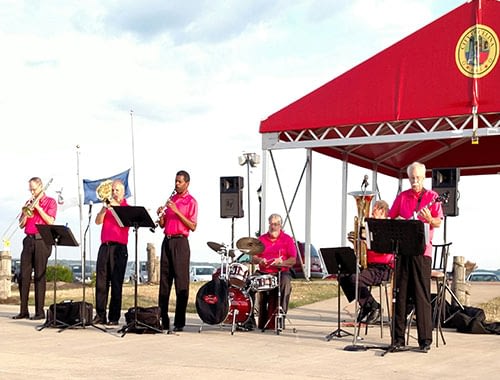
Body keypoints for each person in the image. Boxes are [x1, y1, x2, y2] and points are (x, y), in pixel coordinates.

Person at [388, 161, 443, 352]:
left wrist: (429, 219)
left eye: (418, 178)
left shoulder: (432, 197)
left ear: (424, 177)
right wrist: (400, 221)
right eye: (412, 178)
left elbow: (438, 222)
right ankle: (398, 338)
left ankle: (424, 339)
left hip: (422, 251)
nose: (414, 181)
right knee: (400, 294)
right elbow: (391, 217)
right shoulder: (402, 197)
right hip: (403, 250)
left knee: (422, 295)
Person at [340, 200, 394, 325]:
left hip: (383, 268)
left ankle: (373, 306)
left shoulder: (388, 228)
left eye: (375, 208)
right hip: (370, 266)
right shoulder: (369, 228)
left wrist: (367, 243)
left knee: (355, 278)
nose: (372, 211)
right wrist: (356, 243)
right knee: (343, 275)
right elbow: (362, 252)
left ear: (383, 211)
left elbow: (384, 250)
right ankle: (366, 305)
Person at [157, 170, 198, 332]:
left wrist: (177, 211)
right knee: (164, 282)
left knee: (181, 282)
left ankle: (179, 321)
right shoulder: (171, 199)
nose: (176, 184)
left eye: (179, 182)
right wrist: (160, 215)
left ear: (187, 183)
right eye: (175, 181)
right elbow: (162, 224)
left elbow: (193, 226)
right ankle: (162, 318)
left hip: (181, 242)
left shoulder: (191, 201)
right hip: (167, 241)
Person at [13, 177, 57, 320]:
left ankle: (39, 312)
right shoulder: (28, 203)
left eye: (34, 189)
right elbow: (21, 225)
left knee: (39, 275)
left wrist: (38, 208)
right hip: (28, 240)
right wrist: (26, 213)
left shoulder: (50, 202)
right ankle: (23, 310)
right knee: (23, 275)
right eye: (30, 189)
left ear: (41, 187)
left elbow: (50, 220)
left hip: (41, 240)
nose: (32, 192)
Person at [93, 179, 130, 325]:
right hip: (105, 247)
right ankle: (100, 314)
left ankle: (113, 317)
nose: (114, 193)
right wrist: (103, 209)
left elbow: (123, 222)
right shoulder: (108, 206)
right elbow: (97, 221)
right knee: (101, 283)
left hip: (119, 248)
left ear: (123, 193)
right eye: (112, 190)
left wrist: (114, 207)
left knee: (116, 283)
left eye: (117, 190)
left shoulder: (126, 207)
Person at [252, 213, 297, 330]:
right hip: (264, 271)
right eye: (271, 224)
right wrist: (260, 260)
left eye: (276, 224)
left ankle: (280, 318)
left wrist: (281, 263)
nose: (273, 227)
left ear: (280, 225)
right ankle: (249, 319)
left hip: (281, 271)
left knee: (285, 283)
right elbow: (253, 258)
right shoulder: (261, 239)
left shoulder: (287, 239)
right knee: (249, 282)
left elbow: (293, 259)